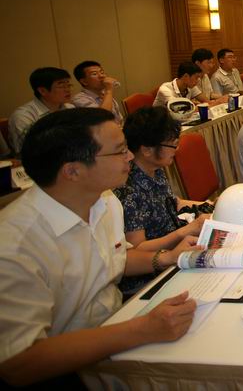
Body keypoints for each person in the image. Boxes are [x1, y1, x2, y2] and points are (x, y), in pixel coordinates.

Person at [0, 108, 200, 387]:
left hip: (119, 324)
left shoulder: (105, 202)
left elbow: (117, 257)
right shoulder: (15, 245)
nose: (129, 157)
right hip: (72, 366)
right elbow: (18, 363)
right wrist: (143, 329)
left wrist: (169, 258)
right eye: (119, 151)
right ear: (72, 170)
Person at [115, 107, 208, 297]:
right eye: (171, 145)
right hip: (150, 278)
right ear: (146, 150)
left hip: (176, 253)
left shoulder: (155, 169)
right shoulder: (129, 189)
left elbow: (172, 202)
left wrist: (208, 204)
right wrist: (186, 231)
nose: (177, 149)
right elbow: (137, 248)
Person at [8, 67, 75, 155]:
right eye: (61, 86)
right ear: (42, 91)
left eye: (69, 85)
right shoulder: (23, 116)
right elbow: (29, 149)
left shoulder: (70, 108)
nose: (68, 90)